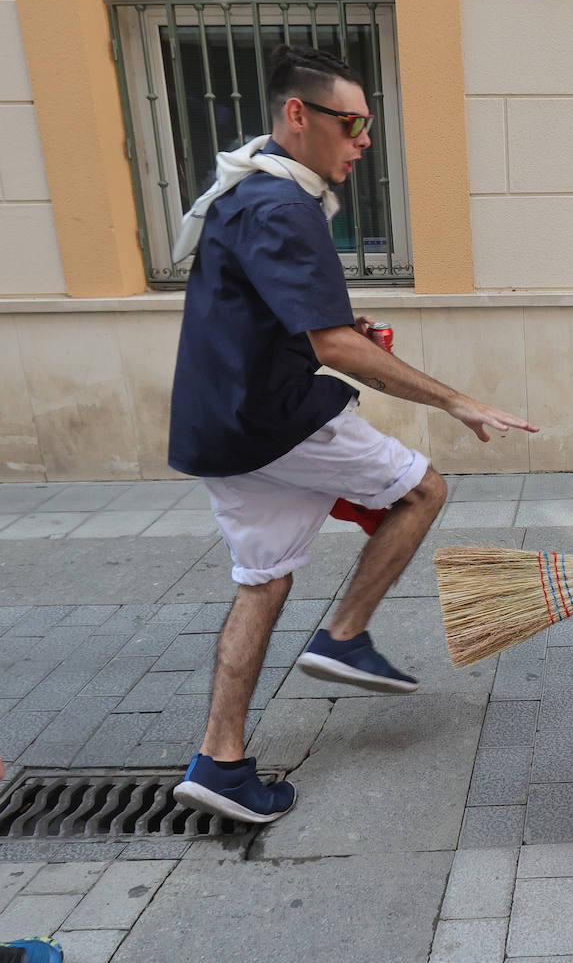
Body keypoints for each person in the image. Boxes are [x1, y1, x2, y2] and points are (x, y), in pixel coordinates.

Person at [165, 44, 537, 825]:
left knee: (261, 584)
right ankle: (343, 634)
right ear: (298, 116)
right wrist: (458, 400)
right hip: (272, 420)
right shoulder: (281, 205)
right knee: (423, 488)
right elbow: (333, 346)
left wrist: (330, 331)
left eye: (368, 123)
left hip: (218, 429)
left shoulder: (248, 190)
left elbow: (283, 317)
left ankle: (219, 760)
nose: (365, 139)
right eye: (352, 122)